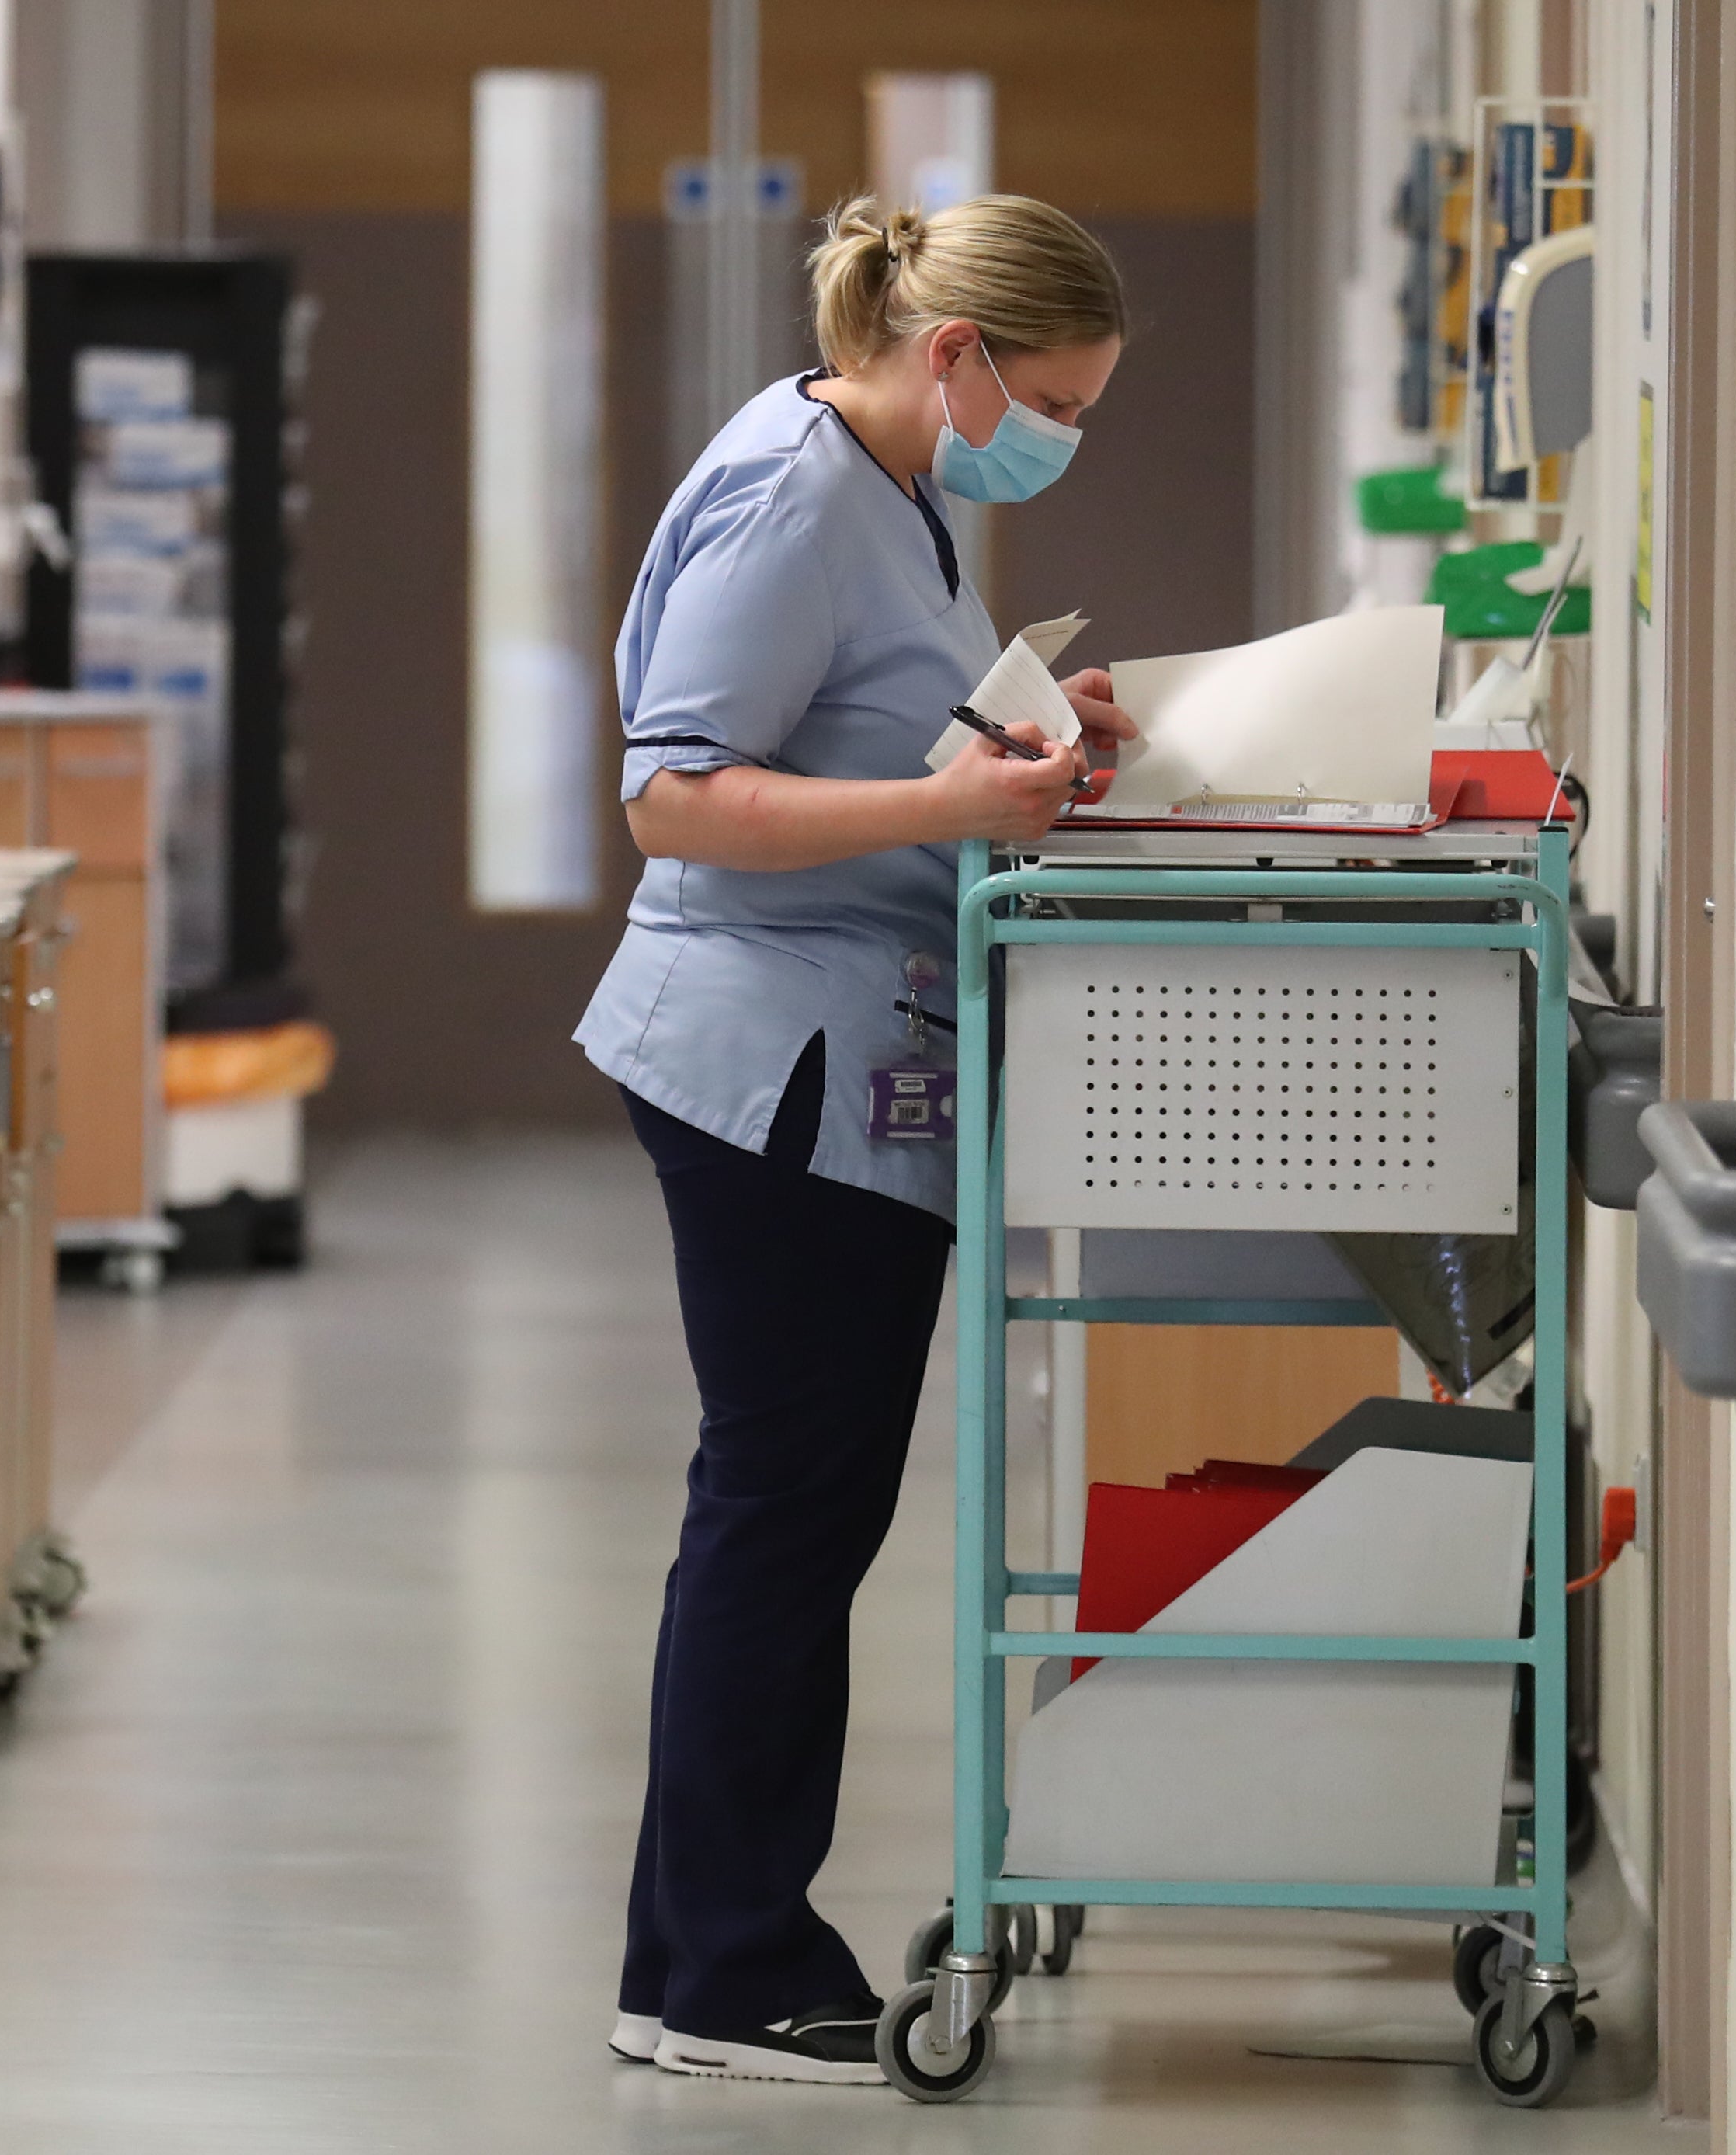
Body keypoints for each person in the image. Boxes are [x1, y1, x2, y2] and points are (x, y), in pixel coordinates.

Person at [574, 191, 1134, 2086]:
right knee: (780, 1510)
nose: (1054, 437)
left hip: (828, 1040)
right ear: (954, 352)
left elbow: (873, 739)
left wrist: (1022, 744)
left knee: (787, 1510)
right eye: (1046, 399)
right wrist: (945, 800)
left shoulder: (890, 480)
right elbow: (672, 793)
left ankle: (691, 1954)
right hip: (769, 1063)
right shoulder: (802, 492)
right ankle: (728, 1967)